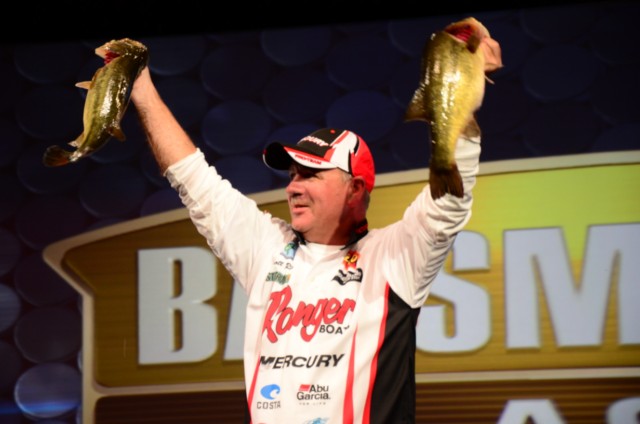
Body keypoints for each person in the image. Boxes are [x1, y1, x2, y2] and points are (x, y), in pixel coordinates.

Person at [130, 32, 501, 424]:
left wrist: (459, 88)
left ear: (354, 189)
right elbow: (193, 178)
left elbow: (449, 202)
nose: (293, 187)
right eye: (292, 175)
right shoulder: (267, 248)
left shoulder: (394, 257)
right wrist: (142, 90)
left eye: (311, 175)